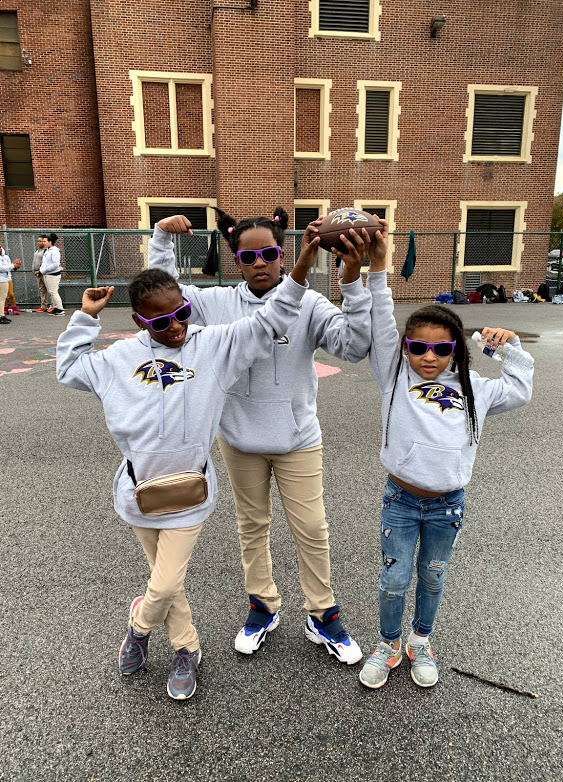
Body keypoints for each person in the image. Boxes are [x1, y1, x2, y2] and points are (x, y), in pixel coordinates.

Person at [56, 243, 318, 700]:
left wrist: (300, 267)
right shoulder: (118, 359)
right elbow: (69, 368)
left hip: (191, 491)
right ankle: (186, 649)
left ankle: (140, 627)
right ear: (139, 321)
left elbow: (270, 320)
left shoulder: (212, 346)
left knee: (166, 578)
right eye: (160, 321)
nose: (176, 327)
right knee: (166, 577)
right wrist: (86, 317)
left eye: (182, 314)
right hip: (140, 490)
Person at [148, 207, 372, 665]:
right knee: (252, 526)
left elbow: (354, 346)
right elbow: (164, 295)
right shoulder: (217, 304)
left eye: (270, 253)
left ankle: (321, 613)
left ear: (283, 254)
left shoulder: (307, 303)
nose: (260, 262)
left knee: (311, 528)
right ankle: (263, 605)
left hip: (297, 438)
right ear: (238, 261)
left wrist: (352, 283)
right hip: (239, 438)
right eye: (249, 256)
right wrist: (162, 240)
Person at [351, 222, 533, 689]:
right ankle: (388, 643)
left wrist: (509, 347)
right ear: (405, 349)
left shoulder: (477, 390)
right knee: (393, 582)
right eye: (417, 347)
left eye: (440, 348)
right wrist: (378, 267)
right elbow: (379, 316)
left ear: (455, 349)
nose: (427, 357)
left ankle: (420, 641)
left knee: (432, 580)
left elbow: (519, 388)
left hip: (448, 505)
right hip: (401, 500)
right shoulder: (395, 377)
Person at [40, 232, 65, 316]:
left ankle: (60, 309)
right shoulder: (48, 251)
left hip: (53, 275)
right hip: (47, 274)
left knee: (54, 292)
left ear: (50, 242)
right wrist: (42, 269)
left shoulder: (54, 251)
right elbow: (45, 262)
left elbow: (55, 264)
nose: (43, 243)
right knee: (52, 292)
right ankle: (56, 308)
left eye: (45, 241)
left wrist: (45, 270)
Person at [0, 246, 21, 325]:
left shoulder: (5, 257)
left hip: (5, 279)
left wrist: (14, 266)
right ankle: (1, 315)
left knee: (4, 297)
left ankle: (2, 315)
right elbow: (1, 268)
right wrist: (12, 265)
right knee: (2, 298)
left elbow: (7, 268)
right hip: (1, 279)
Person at [32, 235, 49, 312]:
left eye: (40, 241)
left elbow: (44, 262)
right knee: (42, 290)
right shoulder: (37, 251)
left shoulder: (46, 251)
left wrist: (39, 270)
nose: (39, 242)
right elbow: (34, 261)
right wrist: (33, 270)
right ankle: (43, 306)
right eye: (38, 241)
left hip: (44, 273)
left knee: (49, 289)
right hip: (37, 273)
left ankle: (52, 305)